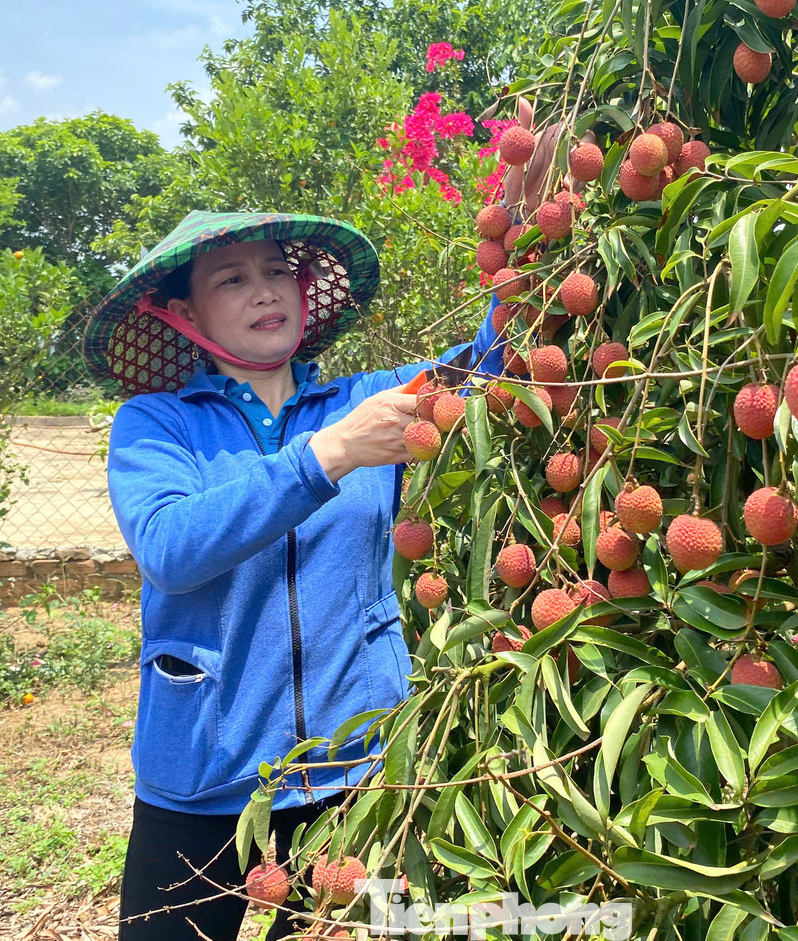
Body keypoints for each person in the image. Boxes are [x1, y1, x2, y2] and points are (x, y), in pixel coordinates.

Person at [82, 210, 504, 941]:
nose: (265, 290)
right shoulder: (156, 425)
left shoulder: (363, 401)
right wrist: (325, 457)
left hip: (354, 764)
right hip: (206, 773)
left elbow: (495, 365)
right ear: (186, 313)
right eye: (233, 278)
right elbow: (170, 548)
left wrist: (523, 229)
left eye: (279, 271)